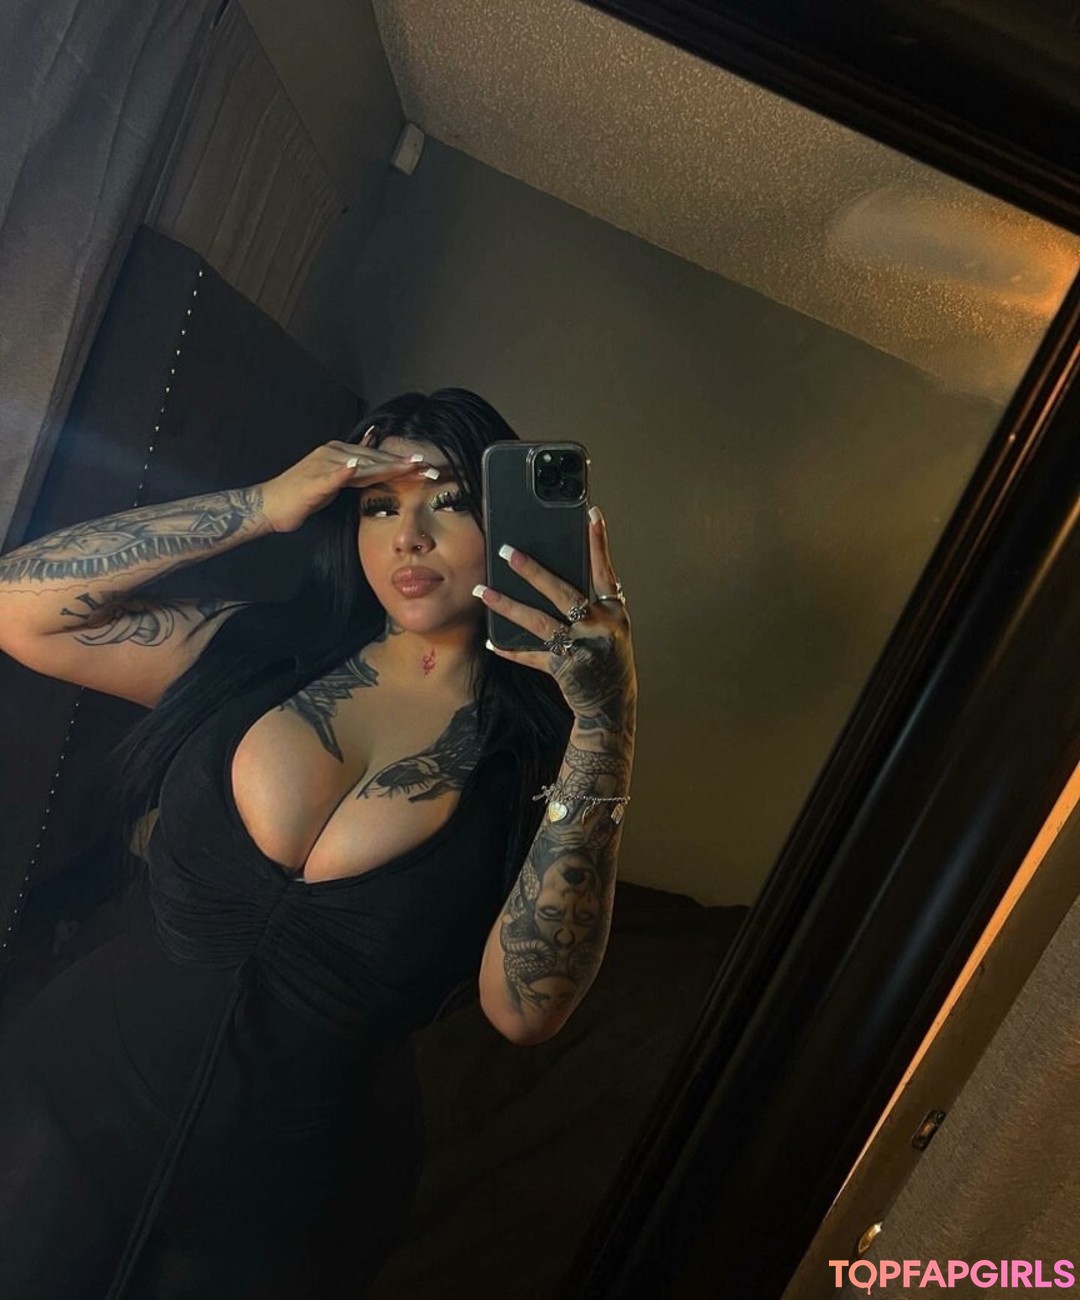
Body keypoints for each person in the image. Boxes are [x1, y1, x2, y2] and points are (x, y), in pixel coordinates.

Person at [0, 388, 637, 1299]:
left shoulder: (545, 755)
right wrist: (262, 504)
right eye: (380, 505)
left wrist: (607, 722)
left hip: (283, 1209)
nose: (408, 538)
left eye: (450, 501)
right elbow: (21, 605)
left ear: (505, 522)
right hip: (69, 1096)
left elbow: (526, 1011)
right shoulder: (253, 651)